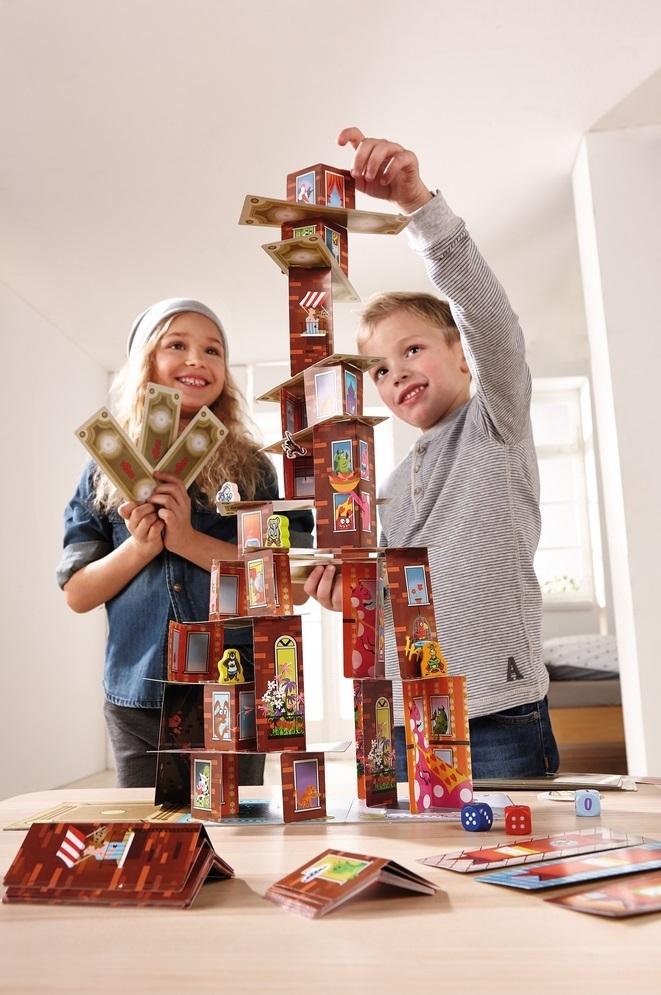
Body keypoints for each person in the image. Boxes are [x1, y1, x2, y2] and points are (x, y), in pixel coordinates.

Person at [305, 128, 559, 780]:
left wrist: (417, 206)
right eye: (379, 371)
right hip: (405, 719)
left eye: (412, 350)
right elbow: (397, 603)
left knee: (507, 842)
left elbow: (491, 323)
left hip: (498, 713)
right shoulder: (386, 486)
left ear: (461, 355)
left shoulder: (494, 424)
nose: (396, 374)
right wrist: (350, 600)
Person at [58, 298, 313, 788]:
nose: (197, 359)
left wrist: (188, 540)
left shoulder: (254, 470)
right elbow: (78, 593)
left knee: (233, 825)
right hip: (138, 698)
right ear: (146, 363)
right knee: (151, 829)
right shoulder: (102, 473)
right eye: (177, 345)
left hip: (231, 689)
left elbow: (292, 585)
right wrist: (141, 548)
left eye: (213, 350)